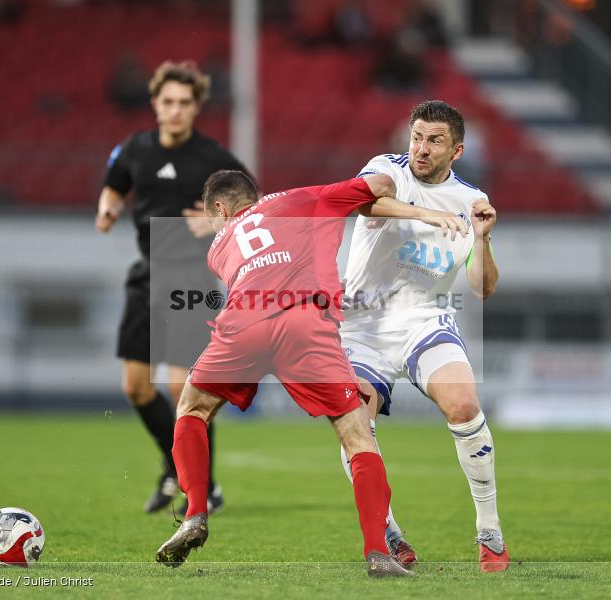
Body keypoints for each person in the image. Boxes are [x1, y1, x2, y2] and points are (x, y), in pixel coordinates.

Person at [154, 169, 468, 577]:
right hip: (304, 322)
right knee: (357, 436)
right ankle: (378, 551)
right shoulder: (299, 199)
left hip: (241, 323)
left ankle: (195, 513)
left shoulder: (218, 247)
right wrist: (410, 205)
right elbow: (378, 186)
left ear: (220, 209)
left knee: (191, 410)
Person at [338, 100, 509, 572]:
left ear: (457, 150)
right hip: (361, 324)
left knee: (465, 406)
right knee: (356, 423)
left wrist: (483, 240)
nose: (421, 148)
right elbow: (363, 200)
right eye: (417, 136)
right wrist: (428, 215)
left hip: (423, 319)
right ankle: (387, 529)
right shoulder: (388, 169)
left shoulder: (471, 202)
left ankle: (489, 529)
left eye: (434, 140)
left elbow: (483, 288)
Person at [96, 60, 249, 516]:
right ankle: (175, 467)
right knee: (137, 388)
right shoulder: (135, 149)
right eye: (169, 102)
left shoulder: (214, 159)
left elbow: (253, 204)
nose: (176, 110)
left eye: (185, 103)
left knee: (185, 389)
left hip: (191, 278)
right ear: (155, 104)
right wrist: (106, 209)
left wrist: (213, 220)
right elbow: (113, 185)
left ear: (197, 107)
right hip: (147, 273)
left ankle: (201, 487)